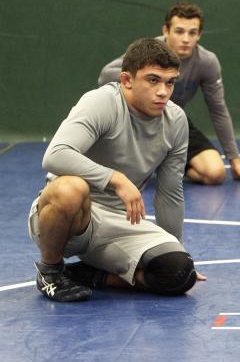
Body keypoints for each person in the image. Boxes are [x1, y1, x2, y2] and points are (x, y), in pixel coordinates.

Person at [29, 38, 202, 302]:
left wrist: (179, 248)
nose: (163, 92)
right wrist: (115, 179)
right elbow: (55, 155)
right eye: (153, 80)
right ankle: (50, 271)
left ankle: (89, 275)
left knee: (179, 274)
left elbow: (170, 193)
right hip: (72, 216)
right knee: (70, 188)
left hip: (120, 223)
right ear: (127, 80)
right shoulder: (102, 102)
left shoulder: (175, 120)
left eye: (170, 82)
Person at [98, 1, 240, 185]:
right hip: (137, 122)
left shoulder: (206, 62)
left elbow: (218, 110)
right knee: (128, 176)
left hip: (172, 119)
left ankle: (165, 163)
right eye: (179, 31)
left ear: (199, 35)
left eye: (192, 33)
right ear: (166, 31)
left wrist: (234, 160)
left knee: (215, 174)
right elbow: (105, 75)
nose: (185, 39)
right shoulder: (147, 52)